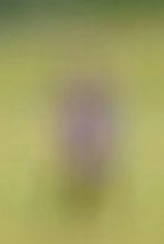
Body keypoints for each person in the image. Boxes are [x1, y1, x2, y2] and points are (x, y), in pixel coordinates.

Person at [49, 58, 123, 219]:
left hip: (87, 139)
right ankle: (77, 201)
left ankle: (86, 201)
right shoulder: (75, 106)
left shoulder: (95, 107)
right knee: (79, 168)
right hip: (81, 140)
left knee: (90, 168)